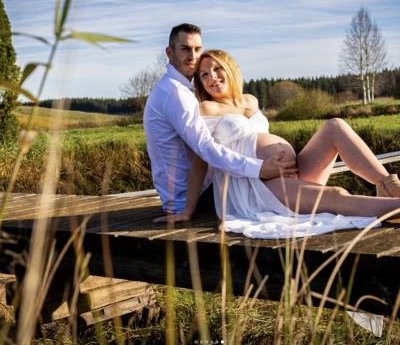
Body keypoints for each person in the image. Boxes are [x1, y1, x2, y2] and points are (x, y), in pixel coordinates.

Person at [155, 49, 400, 238]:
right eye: (204, 74)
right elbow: (202, 160)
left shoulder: (250, 100)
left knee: (335, 125)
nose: (212, 77)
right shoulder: (207, 108)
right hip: (262, 188)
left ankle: (388, 185)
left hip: (292, 173)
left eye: (217, 69)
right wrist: (187, 211)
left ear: (230, 68)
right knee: (336, 194)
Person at [144, 24, 297, 215]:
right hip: (196, 196)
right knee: (291, 191)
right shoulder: (175, 93)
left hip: (204, 188)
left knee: (295, 183)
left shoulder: (180, 90)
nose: (193, 56)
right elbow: (205, 149)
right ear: (169, 53)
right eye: (185, 49)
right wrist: (259, 169)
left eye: (197, 49)